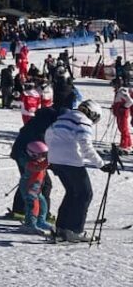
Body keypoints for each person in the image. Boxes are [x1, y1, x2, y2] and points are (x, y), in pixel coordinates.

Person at [45, 100, 113, 243]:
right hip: (71, 161)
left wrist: (52, 154)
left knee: (71, 192)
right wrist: (101, 165)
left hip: (55, 159)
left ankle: (61, 228)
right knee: (84, 193)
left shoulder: (63, 117)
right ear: (92, 114)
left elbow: (48, 134)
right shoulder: (83, 121)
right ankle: (75, 230)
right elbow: (86, 146)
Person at [20, 141, 54, 234]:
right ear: (33, 154)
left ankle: (40, 221)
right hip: (29, 189)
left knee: (43, 205)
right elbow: (37, 168)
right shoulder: (29, 163)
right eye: (42, 155)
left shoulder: (40, 162)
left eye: (45, 155)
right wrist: (47, 161)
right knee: (33, 206)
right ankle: (29, 224)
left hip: (36, 189)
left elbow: (42, 166)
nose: (44, 157)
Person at [111, 78, 133, 154]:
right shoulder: (118, 91)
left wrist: (123, 107)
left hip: (122, 113)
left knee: (123, 128)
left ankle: (124, 145)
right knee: (122, 128)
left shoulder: (122, 91)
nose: (113, 86)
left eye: (114, 84)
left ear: (118, 84)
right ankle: (128, 144)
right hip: (119, 113)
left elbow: (130, 101)